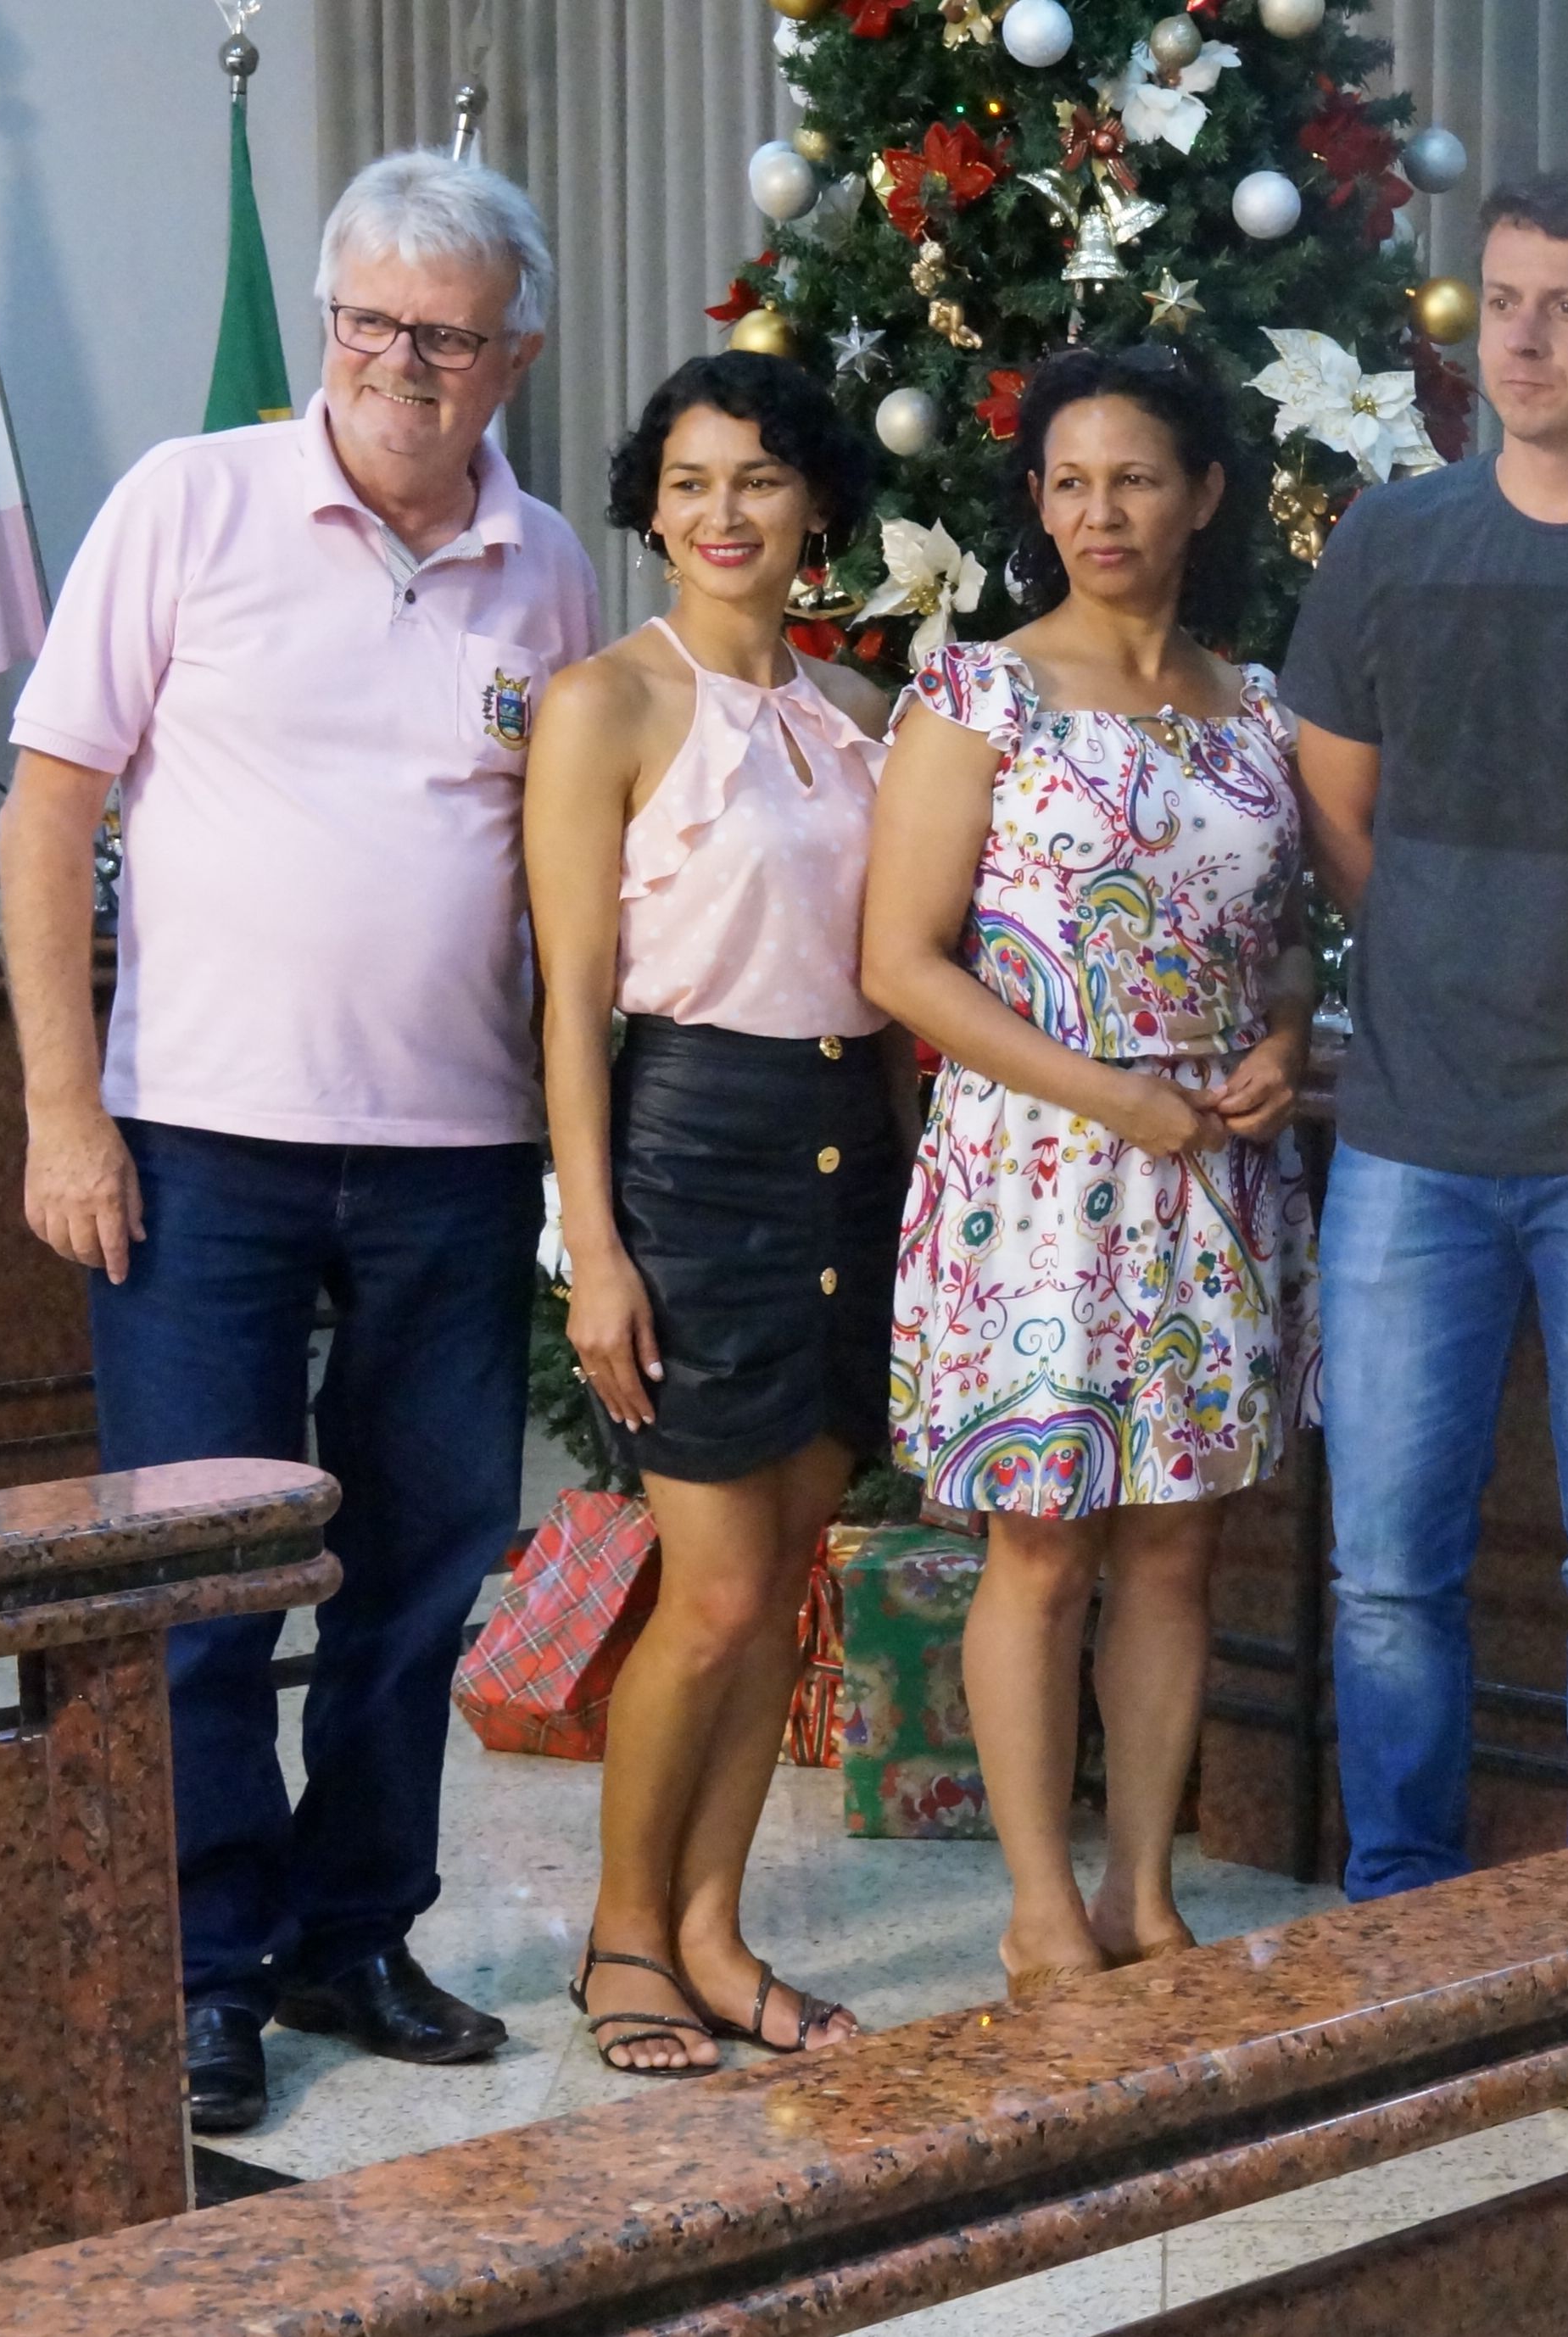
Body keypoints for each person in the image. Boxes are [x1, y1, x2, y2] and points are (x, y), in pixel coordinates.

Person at [0, 153, 594, 2136]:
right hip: (198, 1148)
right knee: (205, 1582)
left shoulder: (550, 564)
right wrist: (63, 1111)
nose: (403, 366)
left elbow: (560, 871)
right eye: (371, 325)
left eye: (449, 337)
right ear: (329, 324)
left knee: (418, 1576)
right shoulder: (189, 499)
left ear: (515, 355)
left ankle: (357, 1931)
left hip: (455, 1152)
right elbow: (49, 810)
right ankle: (201, 1971)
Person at [1279, 164, 1568, 1908]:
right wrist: (1441, 951)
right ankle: (1400, 1909)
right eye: (1503, 302)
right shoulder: (1392, 542)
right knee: (1388, 1571)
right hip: (1408, 1134)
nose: (1521, 340)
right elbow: (1335, 806)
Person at [861, 345, 1318, 2000]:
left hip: (1214, 1180)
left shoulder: (1256, 705)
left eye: (1133, 478)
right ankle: (1041, 1907)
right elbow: (901, 963)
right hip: (1038, 1178)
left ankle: (1144, 1890)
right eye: (1067, 482)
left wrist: (1283, 1032)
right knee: (1044, 1545)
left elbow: (1283, 935)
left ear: (1202, 496)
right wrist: (1109, 1097)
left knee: (1180, 1547)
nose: (1098, 512)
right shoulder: (977, 692)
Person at [523, 353, 896, 2072]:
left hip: (847, 1150)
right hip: (689, 1152)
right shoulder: (604, 702)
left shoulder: (861, 711)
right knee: (719, 1589)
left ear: (812, 501)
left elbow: (891, 976)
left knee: (787, 1570)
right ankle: (622, 1938)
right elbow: (570, 1004)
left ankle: (714, 1934)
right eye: (688, 482)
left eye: (756, 477)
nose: (721, 512)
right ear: (652, 507)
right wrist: (594, 1250)